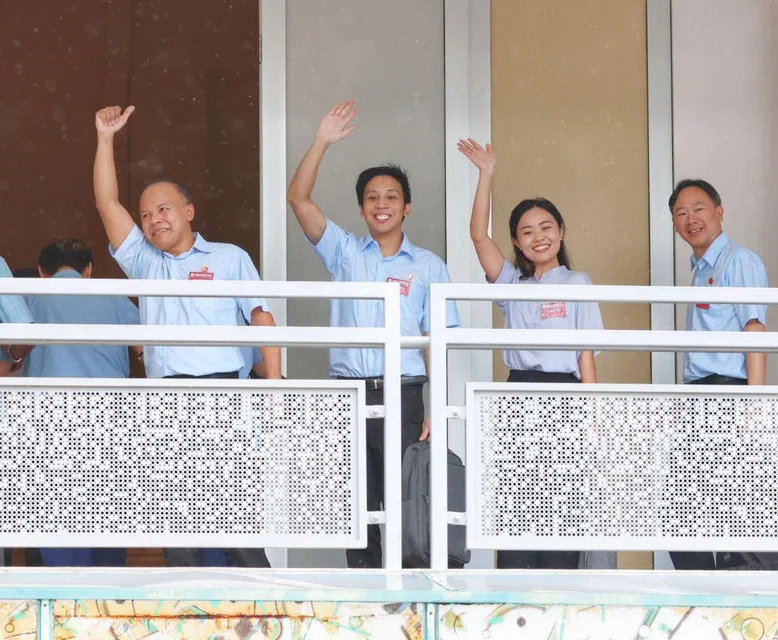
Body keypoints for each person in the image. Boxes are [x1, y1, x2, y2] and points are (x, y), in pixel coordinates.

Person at [93, 104, 281, 568]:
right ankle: (187, 611)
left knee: (237, 521)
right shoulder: (144, 262)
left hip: (226, 392)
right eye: (146, 214)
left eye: (164, 209)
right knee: (177, 522)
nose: (154, 219)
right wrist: (104, 138)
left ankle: (267, 609)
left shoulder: (228, 257)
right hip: (168, 396)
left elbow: (261, 317)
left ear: (189, 211)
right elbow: (105, 203)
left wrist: (275, 388)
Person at [287, 100, 460, 568]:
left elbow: (436, 342)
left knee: (405, 497)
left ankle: (407, 594)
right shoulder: (345, 252)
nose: (381, 204)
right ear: (362, 208)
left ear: (407, 207)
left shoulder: (428, 266)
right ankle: (366, 591)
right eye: (371, 198)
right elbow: (299, 200)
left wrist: (436, 406)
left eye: (391, 197)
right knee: (358, 501)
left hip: (404, 392)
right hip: (349, 393)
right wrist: (321, 140)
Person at [458, 138, 603, 570]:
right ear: (517, 244)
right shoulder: (511, 285)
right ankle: (515, 589)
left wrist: (593, 417)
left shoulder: (578, 283)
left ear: (560, 232)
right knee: (518, 494)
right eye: (527, 231)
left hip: (566, 396)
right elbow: (477, 237)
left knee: (561, 495)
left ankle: (556, 587)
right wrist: (486, 175)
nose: (538, 236)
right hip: (518, 393)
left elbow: (585, 355)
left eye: (545, 227)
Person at [667, 179, 778, 570]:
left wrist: (753, 406)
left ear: (719, 212)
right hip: (701, 396)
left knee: (732, 503)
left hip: (730, 396)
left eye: (699, 208)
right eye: (680, 213)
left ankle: (733, 599)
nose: (691, 219)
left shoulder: (737, 260)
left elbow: (755, 330)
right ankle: (703, 593)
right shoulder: (701, 268)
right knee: (686, 507)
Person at [1, 238, 139, 567]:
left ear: (41, 272)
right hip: (109, 426)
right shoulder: (114, 299)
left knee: (54, 521)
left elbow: (15, 354)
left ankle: (60, 600)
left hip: (48, 426)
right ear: (88, 270)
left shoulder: (29, 301)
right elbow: (149, 350)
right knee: (107, 520)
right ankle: (107, 601)